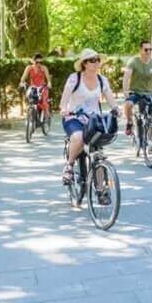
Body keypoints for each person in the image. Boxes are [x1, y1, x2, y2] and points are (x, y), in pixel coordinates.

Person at [58, 49, 119, 196]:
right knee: (78, 137)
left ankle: (101, 190)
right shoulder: (74, 78)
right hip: (74, 118)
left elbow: (109, 96)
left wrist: (116, 108)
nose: (97, 62)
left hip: (93, 120)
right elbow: (64, 100)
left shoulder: (102, 80)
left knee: (97, 153)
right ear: (84, 64)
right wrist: (64, 109)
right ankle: (69, 166)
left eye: (98, 59)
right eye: (92, 60)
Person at [122, 41, 152, 136]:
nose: (148, 52)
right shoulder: (133, 62)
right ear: (140, 50)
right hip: (135, 92)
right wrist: (125, 91)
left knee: (150, 115)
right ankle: (129, 123)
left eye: (150, 49)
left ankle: (150, 137)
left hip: (148, 93)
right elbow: (126, 77)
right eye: (146, 50)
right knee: (128, 104)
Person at [18, 53, 52, 120]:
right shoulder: (29, 68)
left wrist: (49, 83)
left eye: (41, 62)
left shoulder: (44, 68)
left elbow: (48, 78)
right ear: (33, 61)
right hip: (33, 87)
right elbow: (23, 77)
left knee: (43, 100)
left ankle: (46, 113)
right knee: (29, 96)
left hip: (42, 87)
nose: (39, 64)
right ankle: (31, 111)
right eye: (37, 62)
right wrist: (21, 82)